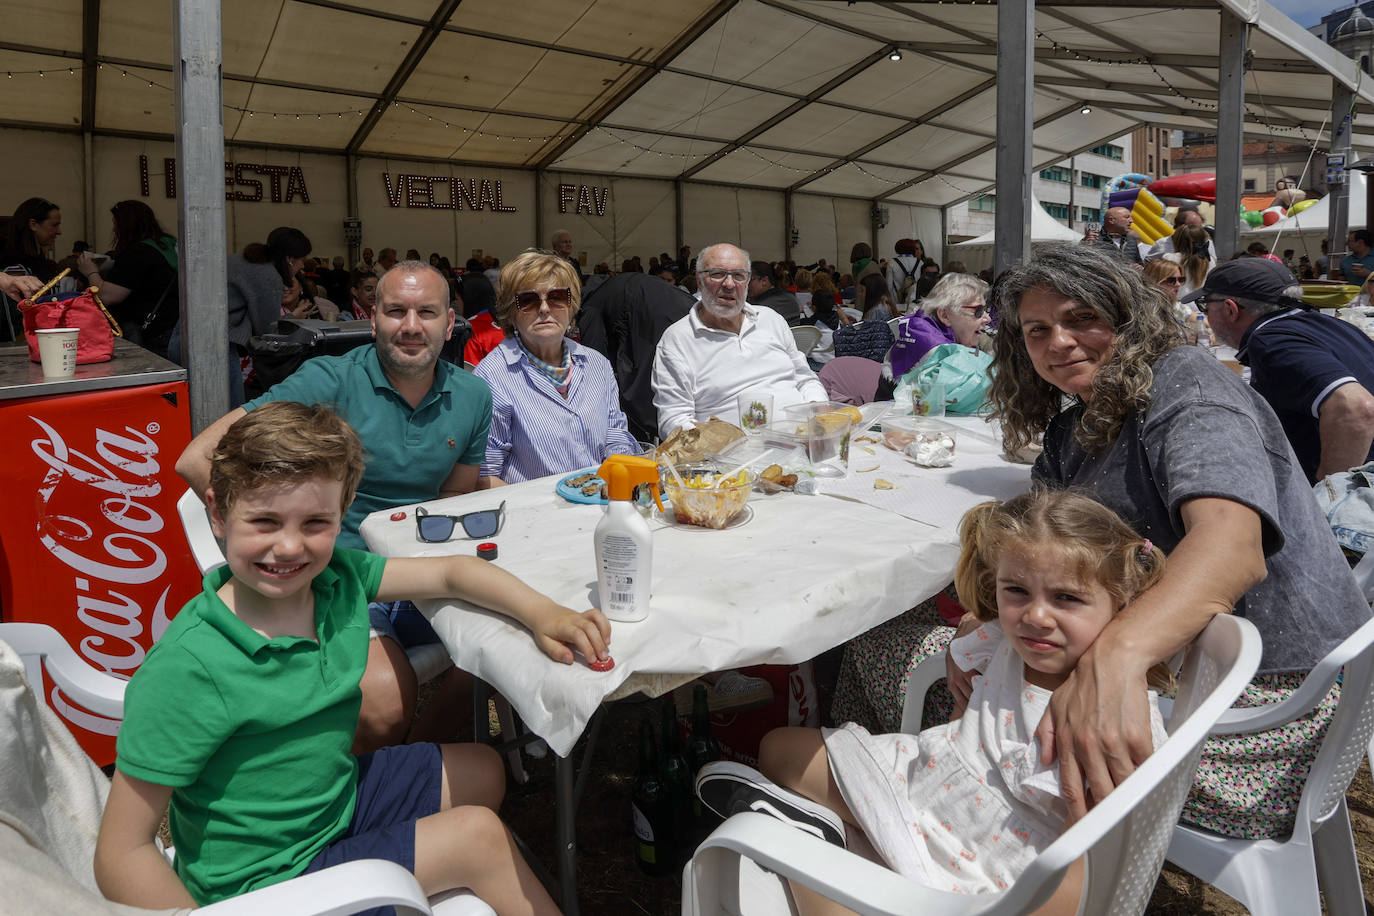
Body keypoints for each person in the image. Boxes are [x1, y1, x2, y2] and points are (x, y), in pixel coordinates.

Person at [101, 402, 598, 913]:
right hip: (267, 882)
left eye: (315, 521)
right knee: (479, 838)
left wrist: (544, 613)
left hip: (332, 804)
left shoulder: (335, 578)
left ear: (345, 511)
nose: (290, 546)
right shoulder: (188, 666)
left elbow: (451, 572)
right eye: (265, 520)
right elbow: (121, 853)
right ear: (217, 514)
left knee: (483, 768)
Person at [986, 243, 1367, 838]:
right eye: (1037, 330)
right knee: (970, 661)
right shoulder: (1070, 430)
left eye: (1082, 318)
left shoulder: (1184, 381)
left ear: (1130, 317)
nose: (1058, 342)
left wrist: (1117, 657)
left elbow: (1231, 545)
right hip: (1185, 682)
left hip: (1263, 716)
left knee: (913, 672)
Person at [695, 488, 1171, 912]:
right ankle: (841, 839)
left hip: (986, 869)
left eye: (1067, 598)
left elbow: (1082, 881)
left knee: (807, 876)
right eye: (1016, 591)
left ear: (1122, 602)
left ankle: (811, 842)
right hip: (932, 784)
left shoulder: (1103, 721)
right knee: (777, 748)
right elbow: (967, 707)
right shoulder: (1005, 640)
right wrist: (967, 643)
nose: (1036, 616)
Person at [176, 260, 490, 753]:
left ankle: (401, 775)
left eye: (427, 312)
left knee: (499, 656)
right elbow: (199, 458)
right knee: (386, 705)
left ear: (450, 324)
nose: (411, 326)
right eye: (395, 311)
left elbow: (452, 495)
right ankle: (375, 786)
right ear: (371, 319)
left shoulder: (473, 394)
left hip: (421, 570)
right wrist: (276, 548)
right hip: (342, 573)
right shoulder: (330, 381)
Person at [1186, 258, 1374, 482]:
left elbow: (1356, 408)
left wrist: (1330, 495)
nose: (1205, 313)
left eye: (1205, 305)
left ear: (1230, 309)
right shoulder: (1333, 325)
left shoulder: (1270, 341)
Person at [473, 250, 638, 484]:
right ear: (510, 311)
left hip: (601, 503)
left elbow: (615, 435)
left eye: (557, 297)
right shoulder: (492, 377)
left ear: (571, 305)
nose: (544, 309)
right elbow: (486, 474)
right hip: (535, 515)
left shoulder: (597, 365)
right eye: (528, 300)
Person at [651, 242, 826, 437]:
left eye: (739, 276)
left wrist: (818, 414)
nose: (729, 284)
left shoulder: (770, 319)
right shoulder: (678, 339)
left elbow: (805, 378)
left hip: (804, 442)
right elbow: (673, 421)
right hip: (731, 460)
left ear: (748, 282)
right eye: (717, 274)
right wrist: (726, 445)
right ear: (699, 281)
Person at [577, 271, 695, 442]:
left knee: (643, 389)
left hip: (655, 325)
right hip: (688, 311)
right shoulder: (615, 284)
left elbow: (594, 359)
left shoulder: (591, 305)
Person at [75, 200, 180, 359]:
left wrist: (91, 272)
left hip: (155, 333)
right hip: (176, 329)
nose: (114, 230)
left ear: (125, 226)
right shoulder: (170, 245)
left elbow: (108, 296)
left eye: (115, 225)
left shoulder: (139, 252)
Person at [887, 272, 990, 380]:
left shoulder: (920, 334)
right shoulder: (938, 357)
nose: (988, 319)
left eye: (985, 309)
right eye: (978, 311)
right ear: (945, 315)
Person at [0, 197, 62, 284]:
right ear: (33, 225)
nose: (59, 232)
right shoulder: (14, 265)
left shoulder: (39, 258)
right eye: (54, 225)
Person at [1144, 207, 1217, 262]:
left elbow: (1212, 263)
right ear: (1178, 226)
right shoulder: (1162, 244)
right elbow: (1148, 263)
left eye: (1200, 227)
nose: (1197, 231)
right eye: (1192, 228)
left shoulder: (1206, 244)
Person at [747, 260, 801, 324]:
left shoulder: (757, 306)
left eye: (749, 279)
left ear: (764, 281)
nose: (746, 284)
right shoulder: (791, 297)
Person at [886, 238, 927, 310]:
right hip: (913, 303)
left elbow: (889, 286)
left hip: (897, 303)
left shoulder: (892, 262)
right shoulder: (920, 263)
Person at [849, 242, 882, 310]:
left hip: (861, 297)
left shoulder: (856, 265)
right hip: (875, 297)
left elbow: (856, 282)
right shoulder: (872, 264)